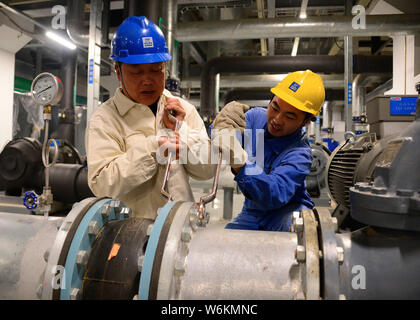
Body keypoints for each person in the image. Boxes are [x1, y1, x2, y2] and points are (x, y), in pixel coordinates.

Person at [85, 16, 214, 220]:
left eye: (156, 70)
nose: (148, 81)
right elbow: (102, 185)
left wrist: (184, 136)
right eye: (136, 72)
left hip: (180, 228)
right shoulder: (105, 119)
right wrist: (153, 149)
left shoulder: (183, 109)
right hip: (130, 234)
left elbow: (208, 170)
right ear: (118, 73)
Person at [212, 70, 325, 231]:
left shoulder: (300, 154)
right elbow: (221, 141)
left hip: (288, 213)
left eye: (290, 116)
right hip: (252, 212)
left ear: (306, 121)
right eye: (275, 107)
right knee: (225, 248)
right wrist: (221, 125)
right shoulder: (255, 118)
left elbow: (274, 192)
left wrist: (240, 164)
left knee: (293, 243)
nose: (277, 120)